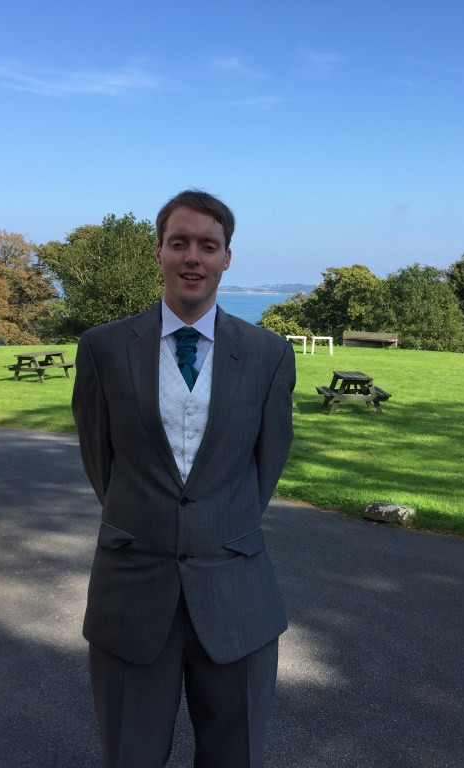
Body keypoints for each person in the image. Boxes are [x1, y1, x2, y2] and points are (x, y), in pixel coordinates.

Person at [72, 190, 296, 768]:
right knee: (130, 757)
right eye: (180, 243)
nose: (192, 257)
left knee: (234, 757)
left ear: (227, 258)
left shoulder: (269, 354)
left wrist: (215, 525)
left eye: (207, 245)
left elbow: (263, 470)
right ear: (159, 253)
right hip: (132, 590)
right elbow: (103, 465)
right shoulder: (103, 348)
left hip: (236, 593)